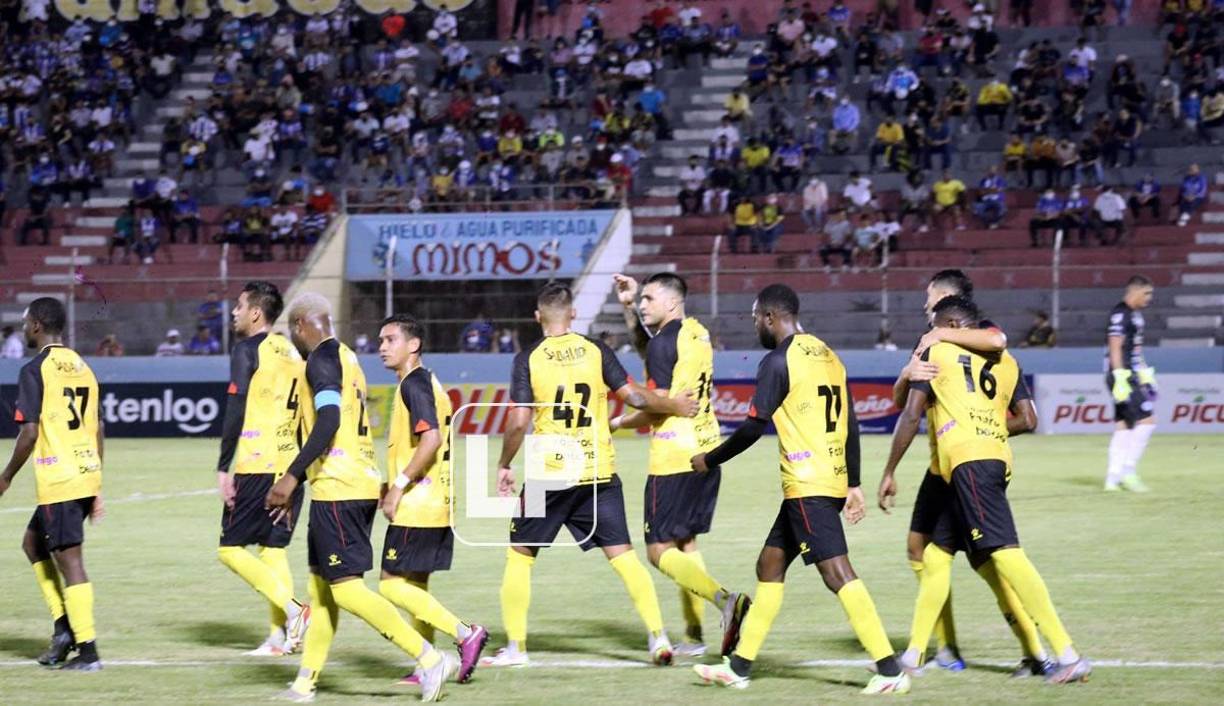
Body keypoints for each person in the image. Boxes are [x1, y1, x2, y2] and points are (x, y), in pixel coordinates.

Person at [689, 284, 910, 695]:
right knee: (769, 566)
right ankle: (738, 667)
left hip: (807, 483)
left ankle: (890, 669)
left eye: (756, 317)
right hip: (825, 478)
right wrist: (854, 482)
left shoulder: (778, 360)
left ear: (771, 317)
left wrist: (709, 459)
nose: (755, 323)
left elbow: (755, 426)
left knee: (836, 572)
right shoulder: (827, 354)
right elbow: (852, 423)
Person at [481, 283, 699, 669]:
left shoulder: (528, 358)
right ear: (574, 314)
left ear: (537, 317)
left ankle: (516, 648)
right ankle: (659, 638)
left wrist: (503, 463)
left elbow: (517, 421)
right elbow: (634, 397)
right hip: (598, 468)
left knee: (519, 556)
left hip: (549, 473)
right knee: (625, 558)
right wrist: (674, 405)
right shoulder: (596, 350)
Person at [879, 295, 1091, 685]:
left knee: (1005, 554)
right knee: (938, 553)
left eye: (936, 323)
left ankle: (1066, 653)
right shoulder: (1008, 363)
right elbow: (1027, 418)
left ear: (952, 325)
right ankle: (913, 654)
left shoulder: (938, 350)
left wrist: (888, 470)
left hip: (968, 462)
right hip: (989, 461)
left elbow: (909, 413)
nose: (929, 333)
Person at [266, 293, 459, 702]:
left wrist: (291, 477)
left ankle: (428, 658)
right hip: (346, 484)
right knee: (321, 591)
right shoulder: (349, 358)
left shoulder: (320, 358)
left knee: (347, 590)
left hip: (340, 485)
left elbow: (329, 420)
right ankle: (305, 682)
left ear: (302, 326)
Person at [611, 273, 743, 658]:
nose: (644, 304)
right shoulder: (695, 334)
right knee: (686, 543)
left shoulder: (664, 344)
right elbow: (652, 352)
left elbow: (656, 404)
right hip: (706, 449)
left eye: (649, 298)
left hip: (672, 456)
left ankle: (726, 600)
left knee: (656, 550)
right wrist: (629, 309)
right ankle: (695, 636)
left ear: (670, 302)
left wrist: (616, 423)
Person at [376, 314, 489, 685]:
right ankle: (427, 663)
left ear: (414, 345)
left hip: (417, 504)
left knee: (390, 585)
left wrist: (398, 486)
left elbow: (431, 440)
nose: (382, 347)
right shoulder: (431, 383)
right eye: (380, 340)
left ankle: (463, 633)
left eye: (391, 339)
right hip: (437, 501)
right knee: (417, 585)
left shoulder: (414, 383)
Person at [0, 297, 104, 670]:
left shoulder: (35, 370)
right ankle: (63, 626)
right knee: (32, 543)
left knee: (69, 560)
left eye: (27, 322)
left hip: (59, 476)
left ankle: (88, 650)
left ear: (38, 325)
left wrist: (7, 475)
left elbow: (29, 433)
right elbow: (98, 427)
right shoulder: (83, 367)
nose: (25, 328)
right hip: (82, 473)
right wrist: (96, 482)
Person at [214, 282, 310, 656]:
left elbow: (235, 407)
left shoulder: (246, 350)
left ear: (256, 312)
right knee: (272, 551)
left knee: (230, 549)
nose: (235, 312)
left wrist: (224, 466)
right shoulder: (291, 350)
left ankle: (294, 610)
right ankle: (278, 638)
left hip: (258, 463)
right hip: (289, 464)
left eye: (239, 306)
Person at [1104, 276, 1156, 493]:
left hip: (1132, 374)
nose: (1149, 298)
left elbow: (1135, 349)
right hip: (1124, 376)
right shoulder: (1121, 314)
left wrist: (1145, 374)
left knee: (1125, 425)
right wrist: (1120, 377)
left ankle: (1112, 479)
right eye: (1146, 294)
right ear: (1134, 292)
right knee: (1147, 421)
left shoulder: (1135, 316)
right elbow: (1115, 347)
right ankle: (1128, 471)